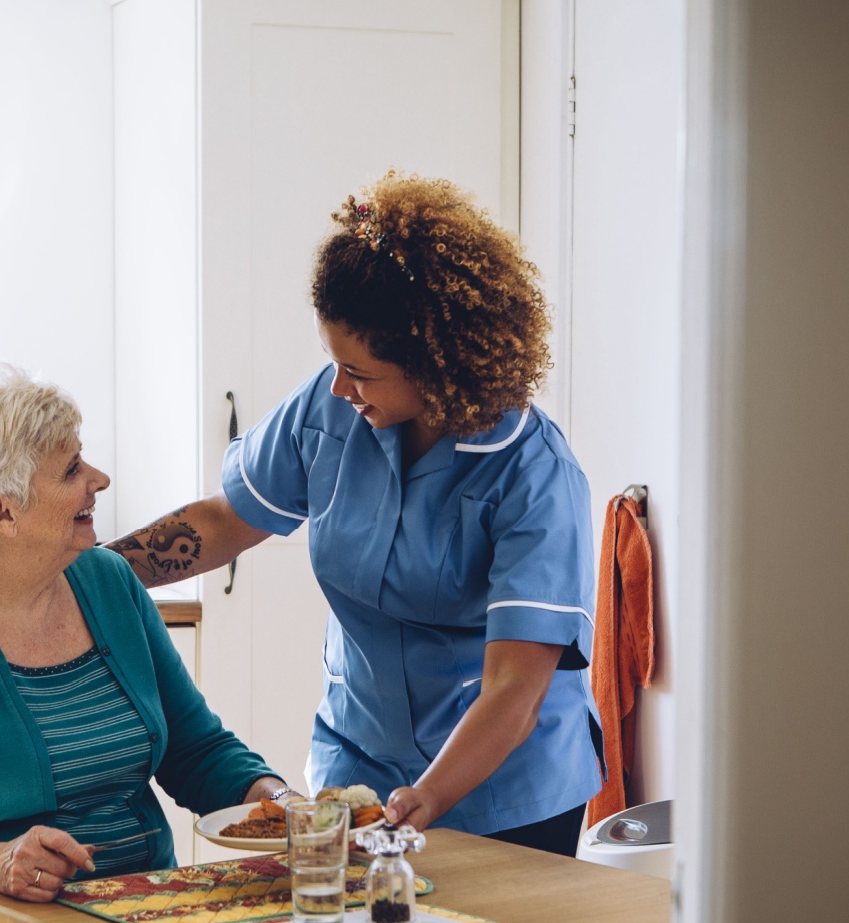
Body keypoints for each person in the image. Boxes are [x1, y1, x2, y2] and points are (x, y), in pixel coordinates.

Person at [108, 172, 602, 856]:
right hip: (359, 766)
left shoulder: (533, 474)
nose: (340, 386)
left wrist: (430, 795)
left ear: (437, 363)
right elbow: (225, 521)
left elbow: (516, 687)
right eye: (333, 362)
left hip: (502, 791)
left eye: (362, 372)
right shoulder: (332, 405)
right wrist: (90, 572)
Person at [0, 365, 290, 906]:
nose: (98, 480)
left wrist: (281, 802)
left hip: (144, 910)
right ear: (1, 512)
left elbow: (196, 751)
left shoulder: (108, 581)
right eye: (72, 469)